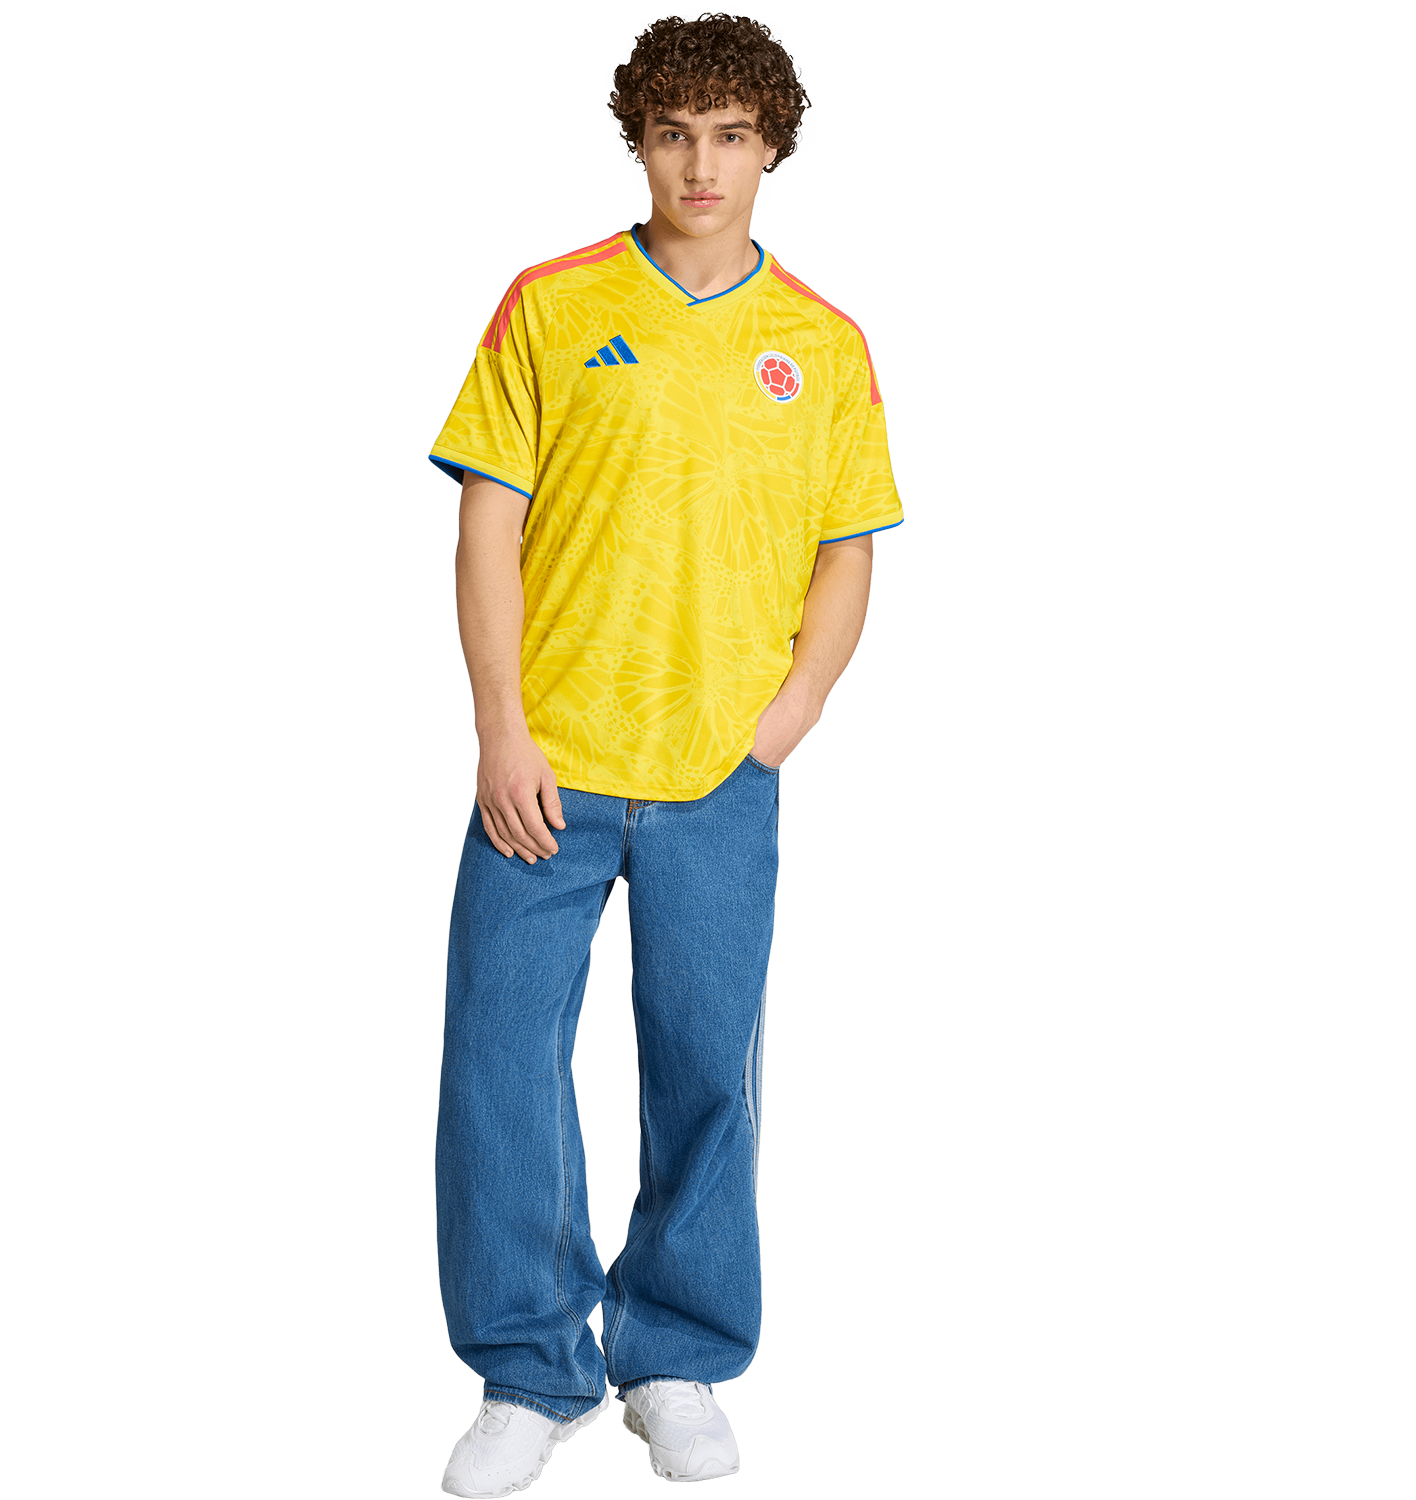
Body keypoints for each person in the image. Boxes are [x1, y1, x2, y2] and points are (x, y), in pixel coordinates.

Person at [430, 13, 903, 1496]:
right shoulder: (550, 304)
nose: (702, 164)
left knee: (707, 1069)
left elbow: (848, 545)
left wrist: (793, 710)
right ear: (639, 142)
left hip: (718, 775)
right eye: (675, 133)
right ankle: (529, 1370)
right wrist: (499, 730)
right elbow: (488, 526)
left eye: (731, 136)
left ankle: (675, 1356)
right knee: (501, 1064)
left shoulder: (822, 343)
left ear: (772, 149)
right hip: (547, 765)